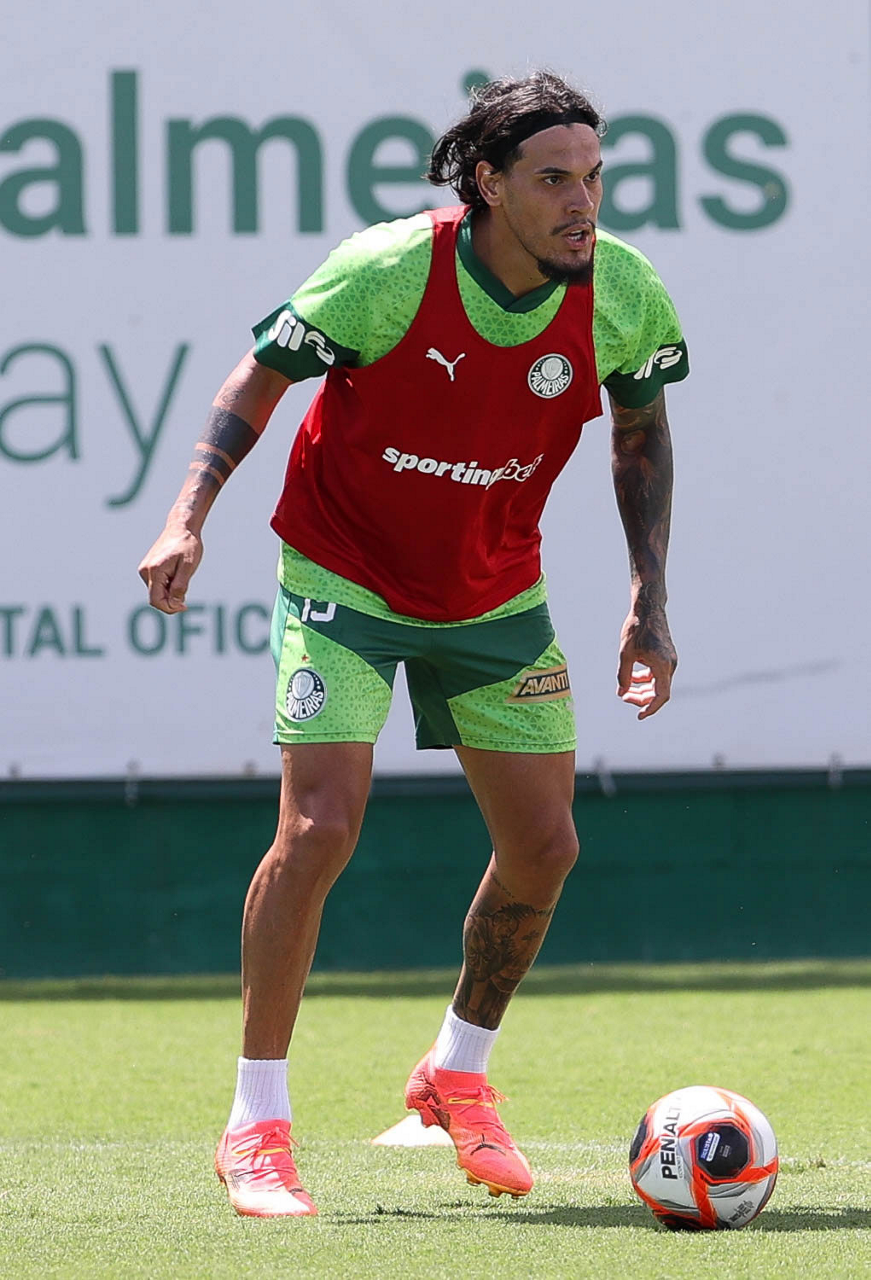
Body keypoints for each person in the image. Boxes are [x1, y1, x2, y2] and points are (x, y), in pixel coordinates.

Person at [138, 71, 687, 1219]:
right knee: (319, 826)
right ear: (487, 183)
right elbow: (260, 375)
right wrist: (188, 514)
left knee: (545, 846)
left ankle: (455, 1070)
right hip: (343, 573)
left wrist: (647, 593)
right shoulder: (391, 270)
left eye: (593, 177)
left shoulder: (621, 290)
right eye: (554, 179)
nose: (581, 202)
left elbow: (639, 434)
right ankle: (255, 1121)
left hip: (493, 594)